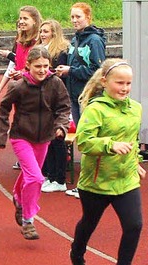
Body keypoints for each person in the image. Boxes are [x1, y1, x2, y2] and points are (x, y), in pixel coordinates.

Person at [69, 59, 144, 265]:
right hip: (96, 182)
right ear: (105, 82)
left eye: (128, 83)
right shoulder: (95, 109)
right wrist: (110, 145)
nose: (124, 88)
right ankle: (77, 254)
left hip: (126, 180)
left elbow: (131, 142)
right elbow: (83, 142)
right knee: (89, 223)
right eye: (119, 82)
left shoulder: (136, 109)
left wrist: (135, 163)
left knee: (134, 225)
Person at [0, 46, 71, 240]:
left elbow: (64, 107)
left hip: (45, 136)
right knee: (36, 178)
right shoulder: (18, 86)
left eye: (45, 66)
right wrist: (0, 136)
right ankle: (28, 220)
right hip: (22, 136)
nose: (42, 70)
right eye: (38, 66)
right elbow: (3, 108)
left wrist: (61, 126)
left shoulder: (56, 84)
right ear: (28, 66)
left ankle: (18, 197)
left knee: (30, 173)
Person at [55, 2, 107, 199]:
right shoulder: (76, 40)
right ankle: (88, 183)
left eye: (78, 17)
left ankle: (91, 184)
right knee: (84, 141)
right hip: (76, 96)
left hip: (90, 97)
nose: (75, 20)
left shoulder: (93, 41)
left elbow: (99, 70)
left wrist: (71, 71)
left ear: (88, 18)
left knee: (90, 140)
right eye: (72, 17)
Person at [38, 20, 71, 194]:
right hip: (44, 99)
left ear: (54, 33)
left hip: (57, 101)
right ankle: (50, 175)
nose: (42, 34)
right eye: (41, 31)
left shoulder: (61, 51)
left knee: (57, 140)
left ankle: (59, 179)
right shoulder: (42, 49)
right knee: (47, 140)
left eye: (46, 31)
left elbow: (60, 77)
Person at [0, 6, 42, 102]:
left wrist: (23, 73)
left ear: (34, 21)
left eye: (25, 18)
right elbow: (14, 65)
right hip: (20, 87)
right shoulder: (19, 42)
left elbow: (41, 69)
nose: (21, 21)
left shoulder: (39, 42)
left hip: (35, 90)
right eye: (20, 18)